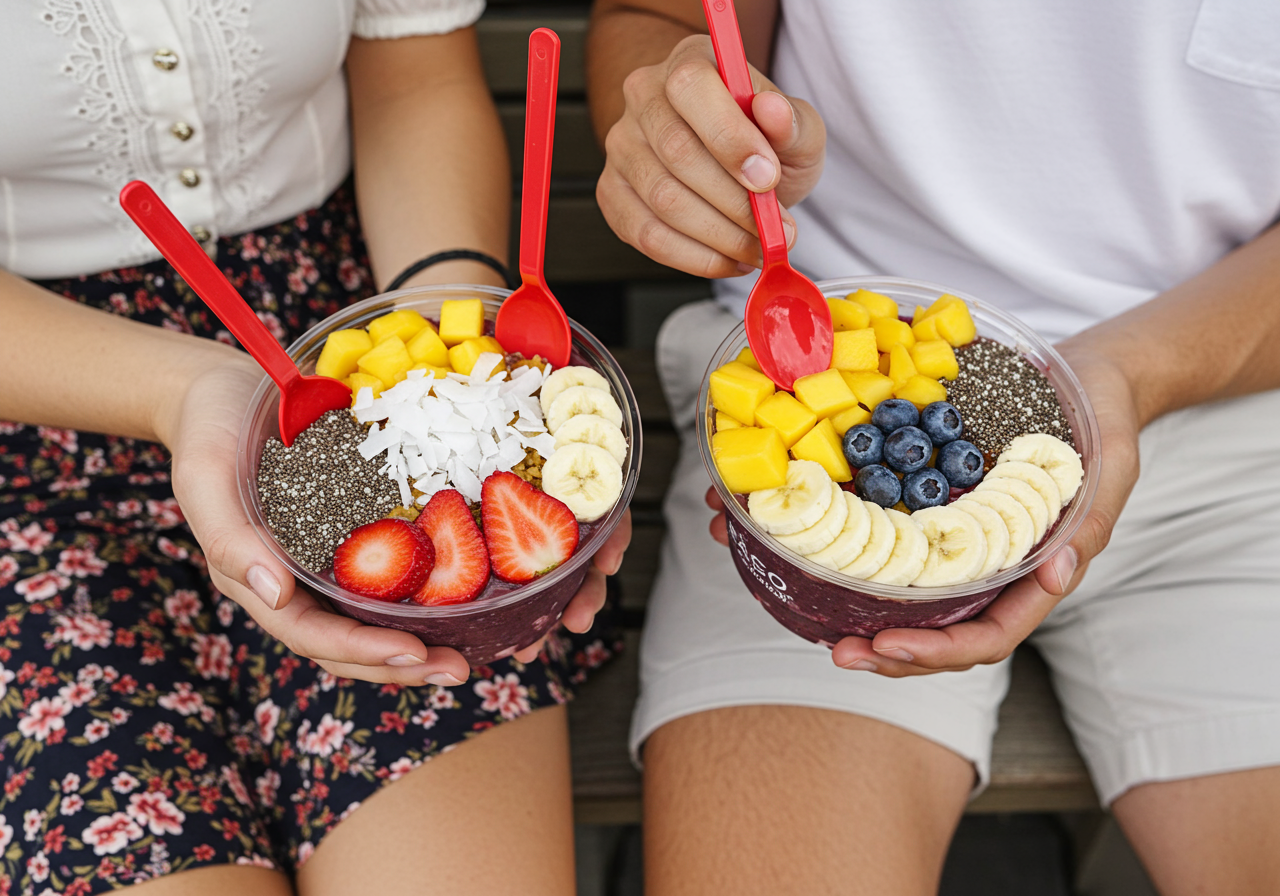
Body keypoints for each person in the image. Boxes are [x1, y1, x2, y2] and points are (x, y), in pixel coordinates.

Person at [586, 0, 1280, 893]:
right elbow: (663, 13)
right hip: (815, 403)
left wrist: (1132, 371)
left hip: (1225, 402)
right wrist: (674, 131)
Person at [0, 3, 629, 894]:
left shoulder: (399, 397)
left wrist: (446, 353)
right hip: (36, 438)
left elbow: (412, 77)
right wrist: (186, 389)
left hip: (355, 378)